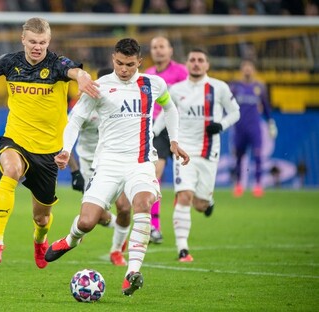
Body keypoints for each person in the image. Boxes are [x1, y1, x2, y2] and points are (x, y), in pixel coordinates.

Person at [0, 17, 99, 269]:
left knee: (42, 216)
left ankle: (39, 240)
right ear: (23, 39)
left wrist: (81, 78)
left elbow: (76, 71)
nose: (38, 47)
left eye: (43, 42)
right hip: (16, 139)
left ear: (49, 41)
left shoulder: (56, 64)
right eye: (33, 42)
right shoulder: (10, 62)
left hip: (48, 150)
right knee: (11, 171)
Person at [44, 38, 190, 296]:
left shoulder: (153, 84)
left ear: (139, 62)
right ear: (113, 59)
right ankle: (70, 240)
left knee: (142, 205)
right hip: (108, 164)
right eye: (120, 63)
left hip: (141, 163)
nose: (124, 69)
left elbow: (170, 108)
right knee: (88, 222)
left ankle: (132, 271)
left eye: (130, 65)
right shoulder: (98, 87)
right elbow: (75, 120)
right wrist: (66, 149)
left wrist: (175, 140)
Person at [157, 47, 240, 262]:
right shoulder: (175, 89)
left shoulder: (218, 87)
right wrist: (152, 133)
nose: (196, 63)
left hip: (208, 152)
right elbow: (166, 114)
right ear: (186, 64)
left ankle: (208, 201)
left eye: (200, 60)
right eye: (192, 59)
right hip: (183, 151)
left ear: (207, 65)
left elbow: (235, 112)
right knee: (184, 196)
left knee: (199, 203)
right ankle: (182, 249)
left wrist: (221, 125)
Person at [68, 67, 131, 267]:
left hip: (116, 160)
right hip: (90, 166)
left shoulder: (126, 104)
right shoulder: (87, 104)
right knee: (98, 216)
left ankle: (116, 252)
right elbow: (66, 136)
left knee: (124, 207)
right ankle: (107, 226)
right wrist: (75, 171)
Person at [144, 35, 189, 244]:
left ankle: (204, 201)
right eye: (154, 47)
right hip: (157, 132)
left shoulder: (181, 72)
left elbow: (187, 100)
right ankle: (154, 226)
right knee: (155, 174)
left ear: (170, 50)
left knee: (189, 185)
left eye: (162, 46)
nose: (158, 50)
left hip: (182, 129)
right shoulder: (149, 75)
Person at [229, 59, 277, 197]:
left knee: (257, 157)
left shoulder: (259, 87)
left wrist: (271, 123)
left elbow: (266, 108)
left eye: (250, 67)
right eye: (245, 67)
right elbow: (227, 105)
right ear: (241, 70)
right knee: (238, 157)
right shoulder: (235, 87)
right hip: (239, 128)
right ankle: (238, 184)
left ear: (254, 70)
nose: (247, 70)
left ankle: (258, 185)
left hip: (255, 128)